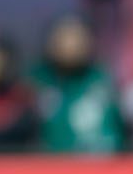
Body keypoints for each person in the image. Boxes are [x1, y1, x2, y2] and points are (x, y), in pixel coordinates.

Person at [31, 14, 126, 153]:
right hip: (53, 163)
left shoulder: (104, 81)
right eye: (65, 38)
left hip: (104, 162)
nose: (71, 45)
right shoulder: (37, 83)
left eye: (77, 37)